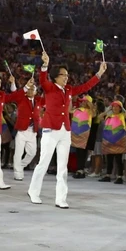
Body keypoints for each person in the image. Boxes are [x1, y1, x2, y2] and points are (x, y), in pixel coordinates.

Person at [28, 51, 105, 208]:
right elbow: (42, 79)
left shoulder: (69, 89)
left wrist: (99, 74)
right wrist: (45, 64)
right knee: (43, 162)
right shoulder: (49, 87)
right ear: (56, 77)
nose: (66, 77)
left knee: (62, 166)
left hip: (65, 131)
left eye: (67, 75)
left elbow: (85, 87)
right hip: (50, 130)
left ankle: (61, 198)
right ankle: (34, 192)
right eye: (63, 75)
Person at [7, 77, 41, 181]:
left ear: (36, 92)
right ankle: (17, 172)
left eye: (32, 89)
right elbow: (15, 93)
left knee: (32, 153)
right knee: (19, 152)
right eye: (29, 89)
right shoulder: (21, 98)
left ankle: (20, 165)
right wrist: (13, 83)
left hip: (33, 131)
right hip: (22, 130)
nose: (30, 91)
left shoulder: (39, 100)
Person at [99, 100, 126, 184]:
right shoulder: (109, 116)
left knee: (118, 159)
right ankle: (108, 175)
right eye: (113, 106)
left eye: (117, 106)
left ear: (120, 108)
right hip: (109, 140)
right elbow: (100, 117)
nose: (115, 108)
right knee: (109, 159)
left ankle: (120, 177)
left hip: (119, 140)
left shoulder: (122, 115)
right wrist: (108, 110)